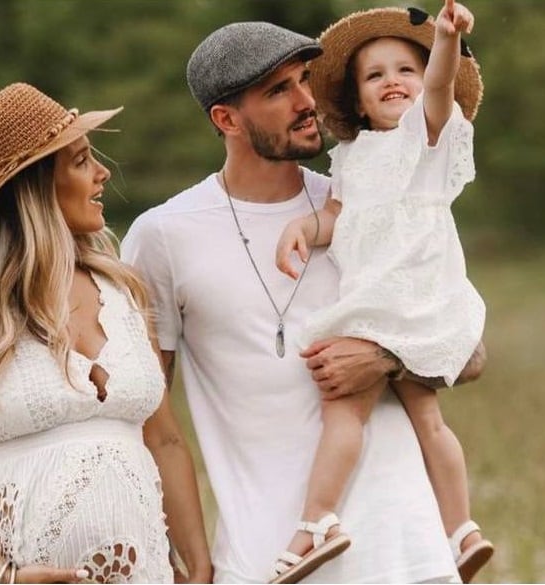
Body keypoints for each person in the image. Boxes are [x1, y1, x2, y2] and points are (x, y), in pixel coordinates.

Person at [121, 21, 484, 584]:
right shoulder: (163, 235)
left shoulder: (368, 200)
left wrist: (384, 359)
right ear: (226, 119)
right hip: (266, 557)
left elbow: (470, 349)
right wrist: (190, 559)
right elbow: (150, 422)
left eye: (304, 81)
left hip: (404, 550)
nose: (306, 101)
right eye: (278, 90)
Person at [0, 82, 211, 584]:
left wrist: (197, 566)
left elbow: (166, 441)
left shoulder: (124, 293)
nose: (102, 172)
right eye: (80, 161)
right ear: (33, 186)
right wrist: (4, 575)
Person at [272, 2, 494, 583]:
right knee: (427, 419)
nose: (393, 81)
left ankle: (317, 521)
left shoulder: (424, 137)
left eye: (406, 70)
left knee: (343, 410)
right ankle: (461, 531)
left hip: (400, 300)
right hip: (399, 307)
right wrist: (305, 226)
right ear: (357, 100)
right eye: (375, 76)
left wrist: (443, 39)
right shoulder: (351, 157)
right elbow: (337, 216)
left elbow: (441, 86)